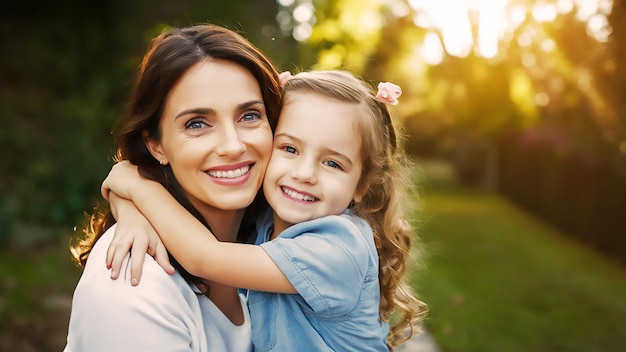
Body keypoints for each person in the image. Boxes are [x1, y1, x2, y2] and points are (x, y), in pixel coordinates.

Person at [103, 70, 428, 351]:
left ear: (362, 184)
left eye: (332, 163)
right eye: (289, 148)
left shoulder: (338, 248)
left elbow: (203, 256)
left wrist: (134, 184)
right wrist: (128, 211)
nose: (304, 173)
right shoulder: (262, 219)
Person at [64, 23, 282, 352]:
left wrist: (132, 193)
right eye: (197, 123)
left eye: (249, 115)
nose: (233, 145)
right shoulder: (133, 283)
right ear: (156, 146)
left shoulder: (279, 239)